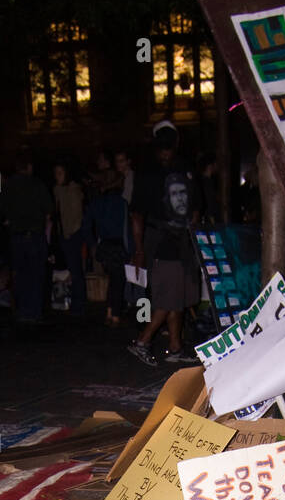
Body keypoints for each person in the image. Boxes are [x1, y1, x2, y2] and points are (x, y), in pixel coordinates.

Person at [128, 120, 200, 366]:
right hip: (160, 242)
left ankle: (175, 346)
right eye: (162, 148)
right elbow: (136, 214)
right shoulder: (147, 172)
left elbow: (195, 206)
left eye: (169, 147)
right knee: (167, 298)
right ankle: (142, 341)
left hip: (182, 241)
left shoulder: (185, 167)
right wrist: (138, 250)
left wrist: (194, 232)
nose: (165, 153)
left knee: (178, 296)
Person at [0, 150, 53, 324]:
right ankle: (34, 312)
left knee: (20, 275)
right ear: (29, 167)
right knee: (36, 275)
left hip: (17, 236)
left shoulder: (8, 186)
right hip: (35, 235)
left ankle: (23, 311)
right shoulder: (38, 185)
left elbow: (1, 213)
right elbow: (49, 212)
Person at [85, 175, 128, 325]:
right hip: (117, 245)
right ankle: (114, 314)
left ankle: (110, 311)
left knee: (112, 279)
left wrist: (93, 244)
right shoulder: (121, 203)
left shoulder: (96, 203)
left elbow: (86, 225)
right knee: (118, 280)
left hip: (104, 245)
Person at [53, 162, 86, 317]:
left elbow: (76, 216)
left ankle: (79, 305)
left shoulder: (73, 190)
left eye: (60, 172)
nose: (57, 176)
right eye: (56, 173)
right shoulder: (59, 190)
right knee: (71, 269)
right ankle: (73, 301)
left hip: (72, 235)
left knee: (75, 269)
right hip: (64, 234)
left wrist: (70, 233)